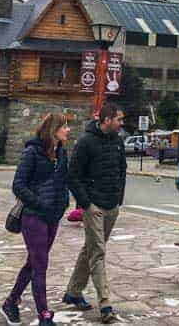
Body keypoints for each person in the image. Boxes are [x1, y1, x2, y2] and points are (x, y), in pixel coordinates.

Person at [1, 113, 71, 326]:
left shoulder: (62, 153)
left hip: (53, 216)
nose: (68, 130)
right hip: (34, 217)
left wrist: (64, 202)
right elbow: (18, 185)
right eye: (64, 126)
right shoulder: (31, 152)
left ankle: (11, 301)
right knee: (41, 264)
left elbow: (63, 181)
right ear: (54, 130)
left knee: (34, 262)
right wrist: (40, 203)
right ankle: (44, 315)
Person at [63, 102, 126, 325]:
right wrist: (86, 204)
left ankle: (73, 291)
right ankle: (105, 302)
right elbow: (73, 176)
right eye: (119, 119)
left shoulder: (118, 141)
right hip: (94, 206)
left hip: (112, 205)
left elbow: (122, 169)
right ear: (107, 120)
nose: (121, 123)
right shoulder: (85, 142)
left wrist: (119, 198)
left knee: (90, 248)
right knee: (98, 252)